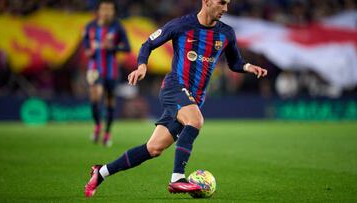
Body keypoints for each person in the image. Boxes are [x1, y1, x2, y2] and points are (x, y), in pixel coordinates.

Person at [84, 0, 267, 197]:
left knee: (153, 148)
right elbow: (148, 44)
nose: (225, 9)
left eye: (228, 3)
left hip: (194, 98)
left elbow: (235, 62)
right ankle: (177, 179)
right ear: (206, 1)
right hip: (174, 87)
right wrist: (142, 66)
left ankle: (101, 172)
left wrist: (249, 67)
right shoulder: (181, 25)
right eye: (221, 3)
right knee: (196, 121)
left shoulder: (226, 33)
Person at [83, 0, 131, 146]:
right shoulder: (90, 27)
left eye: (110, 9)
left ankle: (108, 132)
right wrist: (89, 50)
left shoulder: (118, 27)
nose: (107, 12)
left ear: (114, 11)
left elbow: (127, 48)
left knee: (110, 101)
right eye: (104, 8)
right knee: (96, 96)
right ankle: (97, 125)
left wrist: (113, 47)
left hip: (111, 70)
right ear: (98, 10)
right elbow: (86, 47)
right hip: (94, 68)